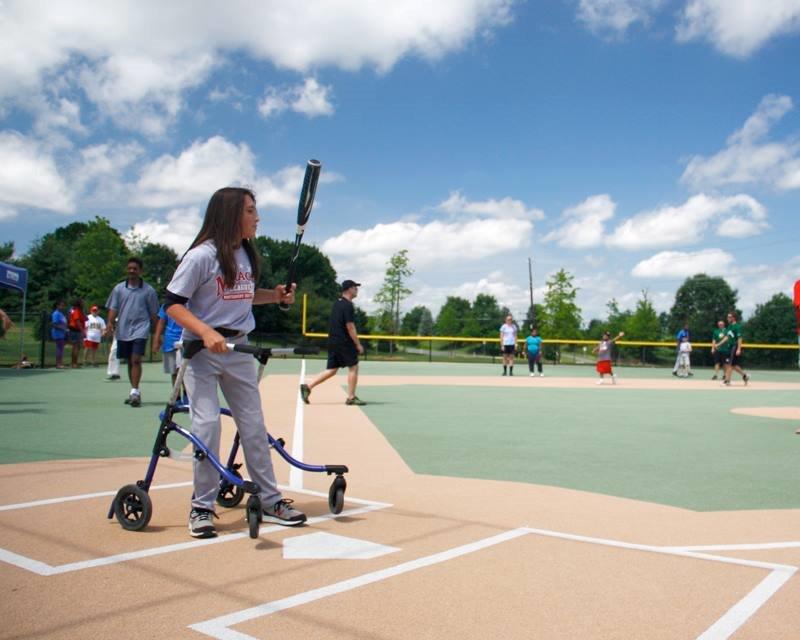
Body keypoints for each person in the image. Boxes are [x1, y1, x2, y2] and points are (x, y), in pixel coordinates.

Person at [165, 186, 306, 538]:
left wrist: (274, 296)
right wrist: (205, 332)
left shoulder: (245, 254)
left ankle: (272, 500)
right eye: (250, 211)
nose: (257, 217)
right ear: (230, 214)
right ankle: (201, 506)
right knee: (207, 426)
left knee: (254, 426)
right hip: (201, 352)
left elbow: (241, 297)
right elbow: (172, 303)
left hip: (238, 349)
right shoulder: (201, 256)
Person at [300, 280, 366, 406]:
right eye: (355, 288)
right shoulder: (347, 305)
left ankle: (308, 386)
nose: (357, 290)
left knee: (331, 370)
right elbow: (350, 326)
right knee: (353, 367)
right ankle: (351, 397)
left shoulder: (337, 303)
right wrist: (358, 344)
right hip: (344, 341)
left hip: (333, 341)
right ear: (348, 289)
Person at [104, 257, 159, 407]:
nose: (132, 271)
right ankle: (133, 390)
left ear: (140, 271)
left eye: (135, 269)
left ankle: (135, 391)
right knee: (129, 360)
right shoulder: (119, 289)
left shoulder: (149, 291)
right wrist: (109, 322)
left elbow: (154, 313)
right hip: (123, 330)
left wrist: (157, 335)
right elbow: (113, 308)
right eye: (129, 268)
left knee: (136, 359)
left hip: (141, 329)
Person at [153, 303, 186, 403]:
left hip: (185, 339)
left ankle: (186, 395)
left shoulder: (190, 303)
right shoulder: (167, 304)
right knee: (173, 370)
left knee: (184, 370)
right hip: (170, 340)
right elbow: (161, 322)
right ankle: (177, 397)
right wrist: (156, 338)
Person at [718, 311, 750, 387]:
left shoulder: (737, 327)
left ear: (733, 318)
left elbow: (739, 338)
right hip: (729, 347)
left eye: (729, 317)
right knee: (733, 365)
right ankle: (745, 376)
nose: (727, 318)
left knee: (729, 364)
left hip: (734, 347)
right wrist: (718, 344)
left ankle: (727, 381)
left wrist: (739, 349)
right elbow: (726, 337)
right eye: (727, 317)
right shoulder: (729, 327)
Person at [67, 297, 87, 368]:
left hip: (77, 330)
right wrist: (82, 331)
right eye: (83, 302)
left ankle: (75, 363)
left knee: (78, 347)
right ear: (79, 303)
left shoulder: (80, 311)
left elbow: (84, 319)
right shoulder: (76, 311)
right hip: (75, 330)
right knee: (75, 347)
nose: (84, 303)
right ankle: (74, 363)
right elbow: (77, 321)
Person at [50, 301, 68, 369]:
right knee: (59, 348)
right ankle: (58, 364)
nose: (63, 307)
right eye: (61, 305)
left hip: (62, 334)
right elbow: (54, 324)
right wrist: (63, 328)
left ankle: (60, 363)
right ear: (57, 306)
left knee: (61, 348)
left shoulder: (61, 314)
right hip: (57, 334)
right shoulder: (56, 314)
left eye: (63, 305)